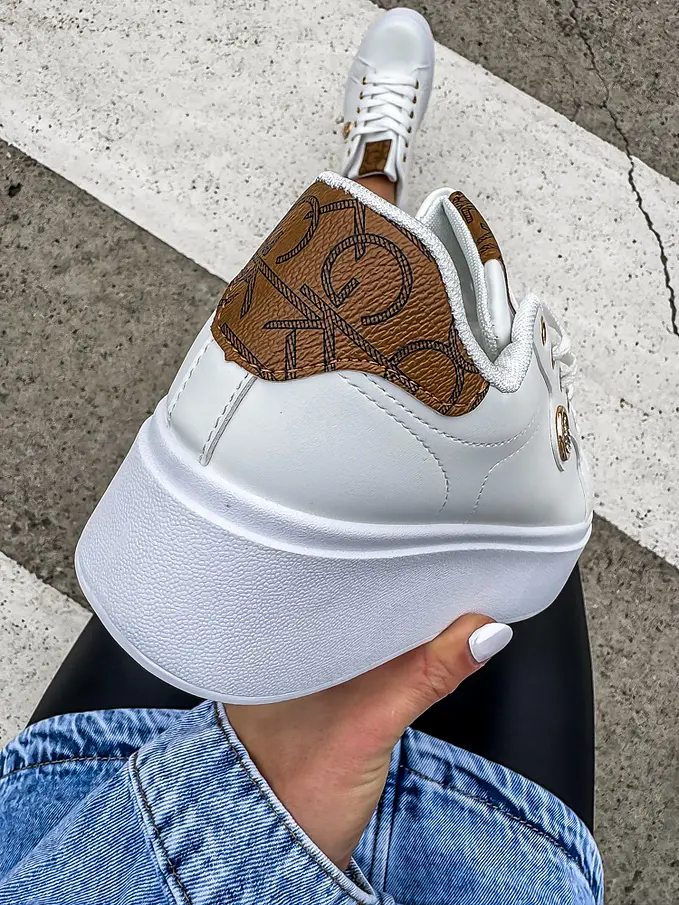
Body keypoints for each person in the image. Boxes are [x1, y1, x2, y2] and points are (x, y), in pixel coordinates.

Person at [0, 9, 602, 904]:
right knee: (517, 539)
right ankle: (354, 244)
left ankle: (367, 196)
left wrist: (237, 822)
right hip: (476, 857)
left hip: (115, 822)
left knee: (489, 520)